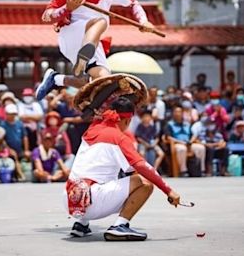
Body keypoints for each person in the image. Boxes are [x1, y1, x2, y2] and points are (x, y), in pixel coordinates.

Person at [35, 0, 156, 100]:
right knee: (101, 21)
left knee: (103, 81)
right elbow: (47, 15)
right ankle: (84, 58)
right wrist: (67, 8)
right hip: (72, 35)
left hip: (94, 40)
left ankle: (56, 79)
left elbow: (133, 4)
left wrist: (143, 21)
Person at [64, 97, 180, 241]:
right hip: (92, 202)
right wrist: (168, 190)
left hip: (69, 199)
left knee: (103, 175)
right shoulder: (119, 138)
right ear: (128, 120)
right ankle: (120, 226)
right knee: (145, 183)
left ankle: (81, 225)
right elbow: (142, 167)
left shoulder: (93, 128)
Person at [165, 107, 206, 177]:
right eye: (176, 112)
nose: (178, 114)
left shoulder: (187, 124)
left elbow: (193, 135)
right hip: (177, 144)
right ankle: (183, 171)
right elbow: (168, 137)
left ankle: (201, 170)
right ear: (173, 113)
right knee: (182, 149)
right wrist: (181, 142)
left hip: (189, 143)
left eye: (179, 112)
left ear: (182, 113)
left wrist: (191, 141)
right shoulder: (169, 124)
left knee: (201, 148)